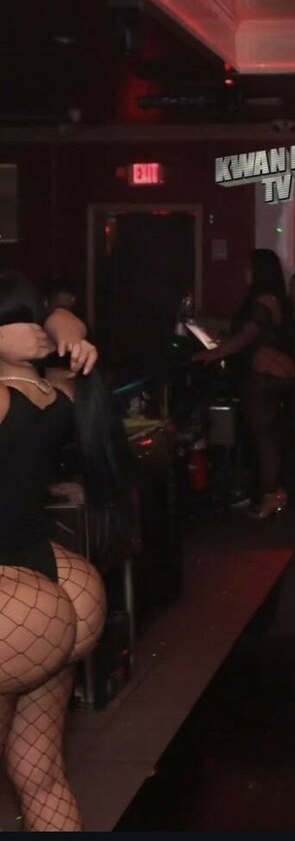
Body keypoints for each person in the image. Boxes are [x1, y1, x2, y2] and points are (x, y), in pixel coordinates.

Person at [0, 269, 125, 830]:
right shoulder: (59, 394)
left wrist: (53, 321)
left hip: (11, 605)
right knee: (43, 776)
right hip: (55, 589)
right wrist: (62, 320)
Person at [193, 248, 295, 519]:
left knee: (263, 437)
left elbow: (247, 336)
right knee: (270, 435)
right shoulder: (276, 298)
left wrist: (215, 354)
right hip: (279, 373)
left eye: (249, 267)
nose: (245, 272)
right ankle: (275, 492)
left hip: (265, 377)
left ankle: (269, 496)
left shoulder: (262, 300)